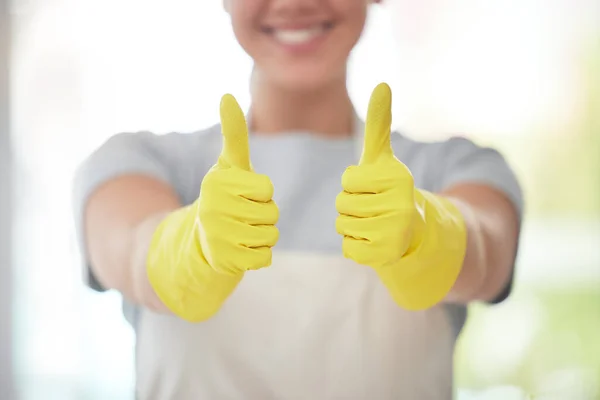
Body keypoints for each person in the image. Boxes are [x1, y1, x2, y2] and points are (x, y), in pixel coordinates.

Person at [73, 0, 523, 398]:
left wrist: (427, 237)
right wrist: (187, 250)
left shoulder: (454, 169)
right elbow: (130, 249)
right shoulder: (140, 164)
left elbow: (485, 250)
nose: (294, 2)